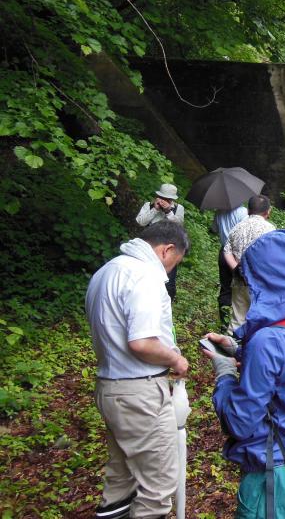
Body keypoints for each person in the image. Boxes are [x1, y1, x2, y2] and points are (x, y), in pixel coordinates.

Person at [203, 230, 285, 519]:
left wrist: (224, 375)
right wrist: (239, 349)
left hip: (277, 478)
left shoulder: (269, 340)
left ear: (267, 280)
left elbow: (239, 422)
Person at [86, 221, 190, 519]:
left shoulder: (107, 271)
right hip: (139, 394)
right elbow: (142, 342)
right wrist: (175, 359)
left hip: (110, 387)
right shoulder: (144, 275)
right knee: (158, 484)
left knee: (121, 478)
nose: (170, 271)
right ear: (166, 249)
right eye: (173, 263)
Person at [223, 195, 276, 336]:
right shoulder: (270, 229)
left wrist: (236, 268)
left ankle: (231, 349)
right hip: (261, 281)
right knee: (261, 319)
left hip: (239, 280)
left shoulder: (237, 228)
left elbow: (226, 251)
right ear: (268, 211)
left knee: (237, 319)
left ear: (248, 211)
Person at [135, 183, 185, 299]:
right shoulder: (148, 205)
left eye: (168, 199)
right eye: (163, 198)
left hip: (169, 249)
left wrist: (168, 211)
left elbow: (179, 226)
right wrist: (155, 209)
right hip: (149, 247)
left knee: (168, 282)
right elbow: (140, 222)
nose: (165, 201)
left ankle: (166, 305)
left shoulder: (178, 208)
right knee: (145, 277)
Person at [212, 204, 248, 327]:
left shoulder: (219, 211)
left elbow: (214, 229)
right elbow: (244, 232)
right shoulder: (243, 212)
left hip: (223, 252)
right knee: (243, 287)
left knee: (225, 288)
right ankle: (241, 322)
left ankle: (224, 322)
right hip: (238, 253)